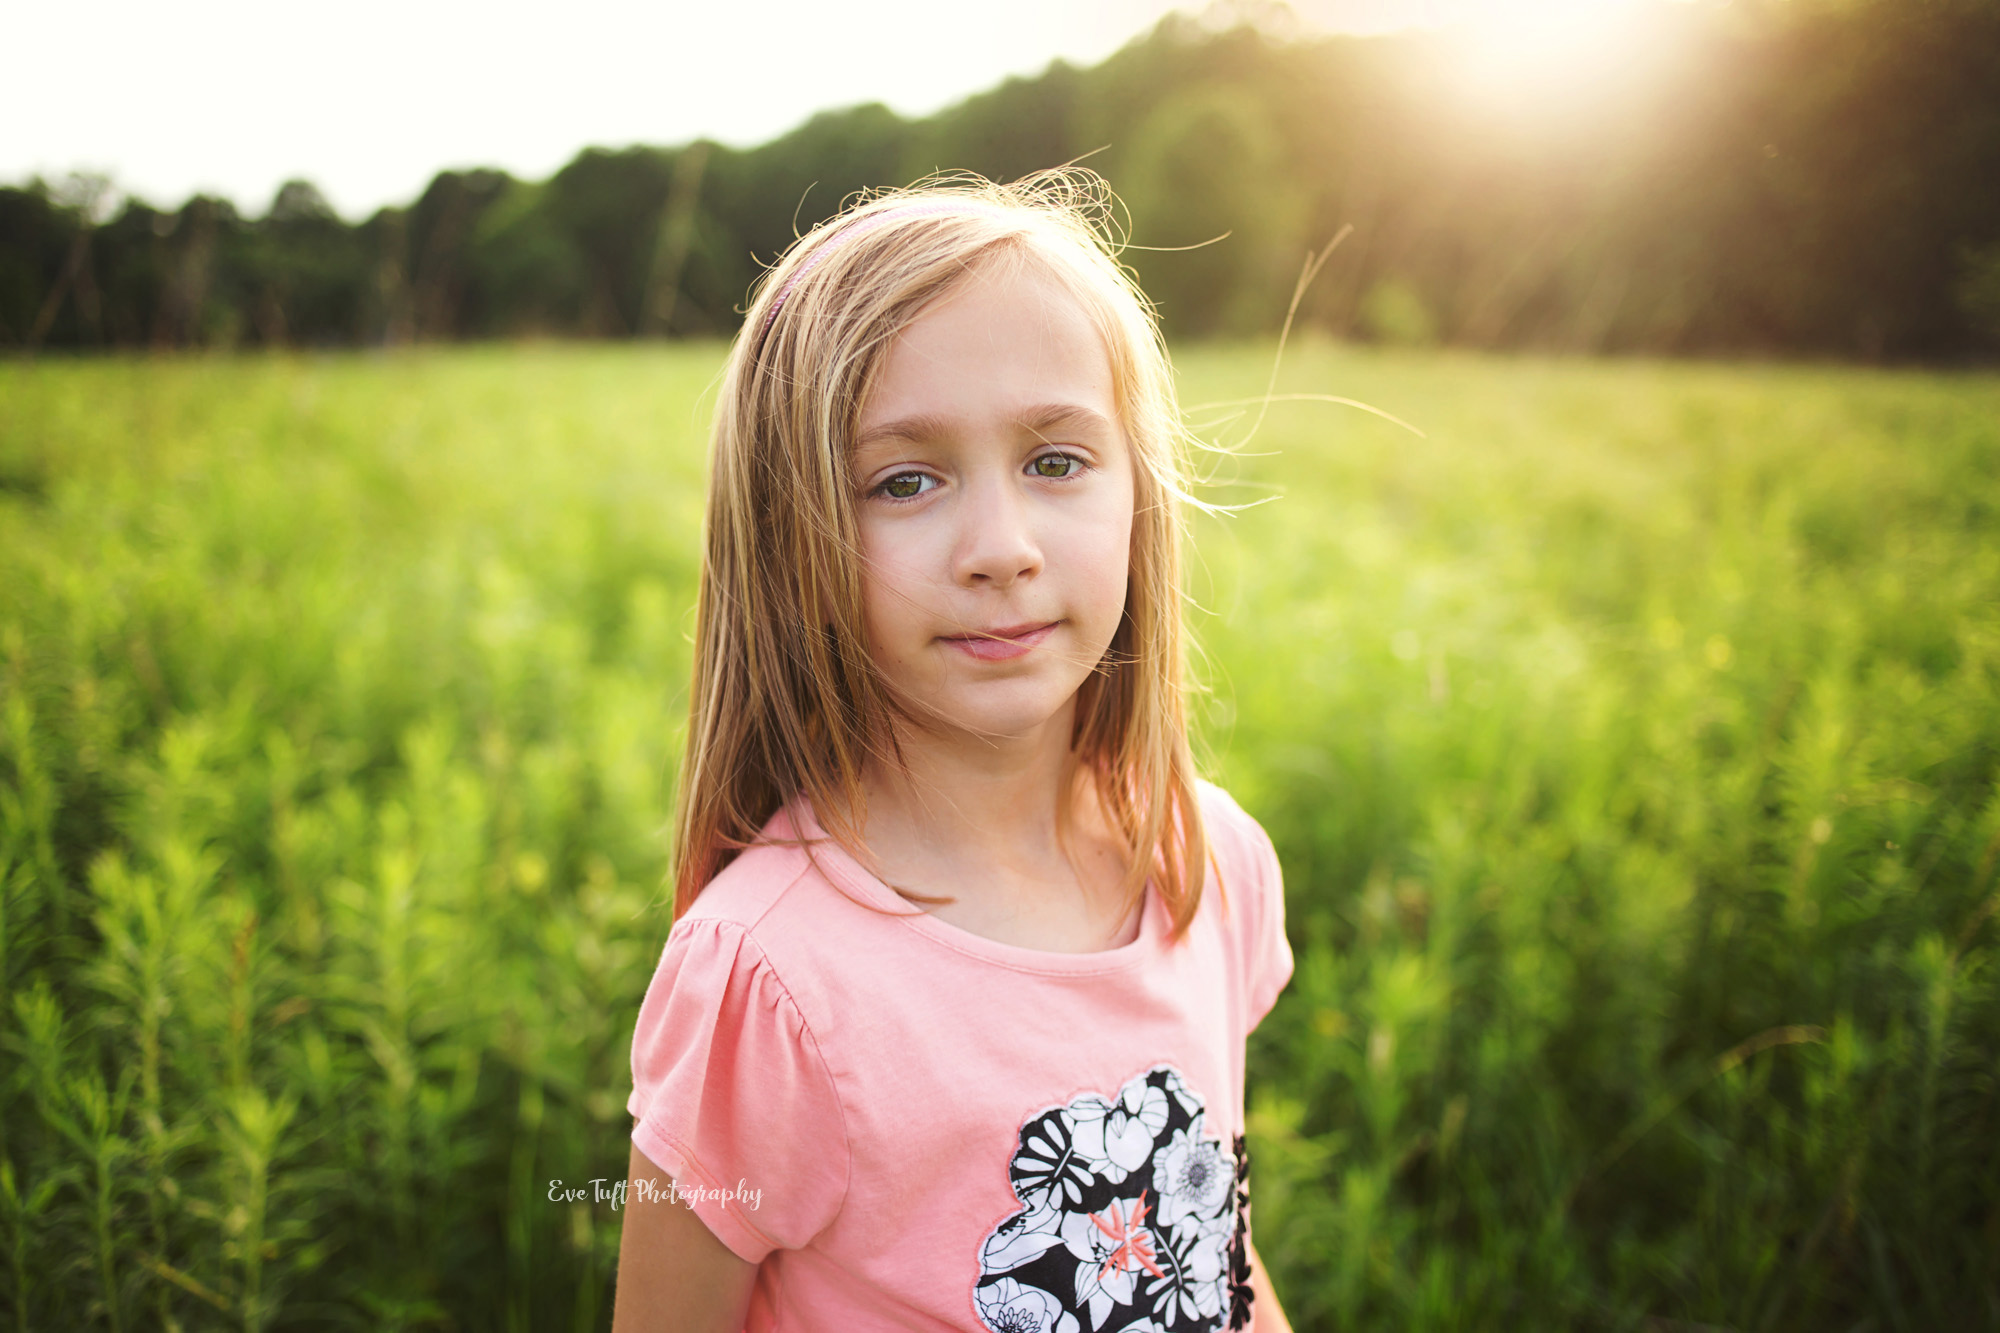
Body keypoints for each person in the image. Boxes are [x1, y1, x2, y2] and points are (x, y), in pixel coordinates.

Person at [611, 169, 1296, 1333]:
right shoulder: (769, 978)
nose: (1001, 547)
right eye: (906, 481)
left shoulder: (1202, 858)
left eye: (1055, 460)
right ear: (792, 540)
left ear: (1140, 493)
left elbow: (1210, 1251)